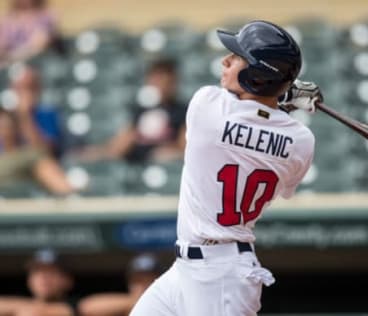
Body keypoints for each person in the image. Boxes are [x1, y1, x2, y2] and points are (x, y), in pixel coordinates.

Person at [130, 20, 322, 316]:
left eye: (237, 58)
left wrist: (285, 95)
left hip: (220, 275)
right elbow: (282, 178)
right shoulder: (301, 140)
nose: (226, 60)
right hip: (192, 268)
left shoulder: (205, 106)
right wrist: (282, 95)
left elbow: (247, 113)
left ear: (257, 76)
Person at [77, 58, 186, 164]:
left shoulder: (181, 112)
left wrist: (169, 152)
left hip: (164, 167)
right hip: (136, 165)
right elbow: (120, 144)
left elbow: (184, 148)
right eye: (155, 78)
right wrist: (99, 153)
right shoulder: (141, 110)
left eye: (163, 79)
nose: (159, 84)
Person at [0, 65, 74, 195]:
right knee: (38, 160)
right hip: (6, 167)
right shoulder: (5, 115)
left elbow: (45, 151)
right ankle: (67, 191)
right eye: (20, 88)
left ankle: (67, 194)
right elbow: (8, 152)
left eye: (30, 88)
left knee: (40, 161)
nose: (25, 93)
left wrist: (26, 117)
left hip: (30, 171)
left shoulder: (46, 114)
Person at [78, 253, 163, 316]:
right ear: (129, 283)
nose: (144, 285)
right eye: (138, 281)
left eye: (150, 280)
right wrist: (137, 301)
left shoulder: (167, 304)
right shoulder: (124, 306)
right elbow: (87, 308)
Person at [0, 248, 76, 316]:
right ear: (29, 280)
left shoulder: (81, 308)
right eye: (37, 272)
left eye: (52, 272)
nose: (44, 278)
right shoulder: (20, 308)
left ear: (68, 281)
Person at [0, 0, 58, 66]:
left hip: (36, 63)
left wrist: (12, 56)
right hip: (9, 63)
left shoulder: (45, 16)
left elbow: (39, 44)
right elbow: (3, 43)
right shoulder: (9, 18)